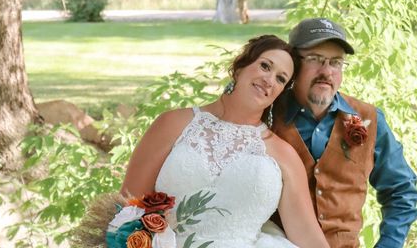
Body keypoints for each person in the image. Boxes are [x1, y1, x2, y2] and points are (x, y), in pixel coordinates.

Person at [121, 35, 329, 248]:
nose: (269, 80)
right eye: (265, 66)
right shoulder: (173, 123)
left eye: (280, 79)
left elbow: (309, 238)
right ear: (239, 68)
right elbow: (127, 206)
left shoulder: (283, 155)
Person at [272, 18, 417, 248]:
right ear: (293, 62)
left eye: (336, 62)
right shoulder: (267, 115)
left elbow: (401, 190)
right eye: (315, 59)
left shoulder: (370, 119)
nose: (327, 71)